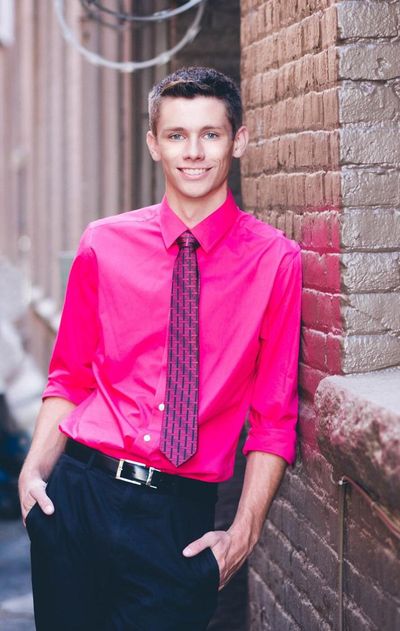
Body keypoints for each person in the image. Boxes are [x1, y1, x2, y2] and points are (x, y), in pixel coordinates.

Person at [19, 66, 302, 631]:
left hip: (178, 520)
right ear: (153, 144)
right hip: (80, 497)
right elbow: (70, 376)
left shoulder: (276, 262)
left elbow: (273, 416)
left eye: (210, 134)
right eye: (176, 135)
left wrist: (243, 533)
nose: (193, 152)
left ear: (238, 140)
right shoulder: (103, 244)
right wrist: (32, 478)